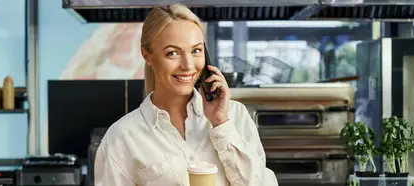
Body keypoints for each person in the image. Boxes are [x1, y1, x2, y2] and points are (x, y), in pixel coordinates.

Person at [94, 3, 278, 186]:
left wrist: (220, 124)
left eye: (196, 51)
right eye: (172, 53)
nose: (188, 65)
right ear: (147, 56)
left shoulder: (235, 116)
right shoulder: (121, 138)